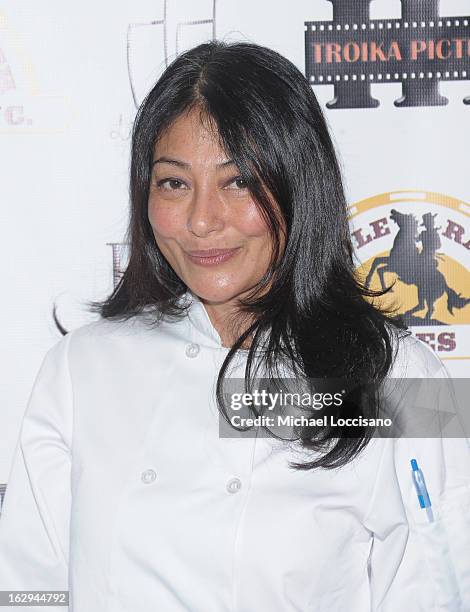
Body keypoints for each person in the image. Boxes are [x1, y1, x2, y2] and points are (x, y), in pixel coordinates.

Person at [0, 40, 469, 612]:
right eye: (174, 183)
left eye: (238, 181)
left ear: (298, 184)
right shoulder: (81, 366)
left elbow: (444, 590)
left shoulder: (404, 378)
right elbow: (26, 588)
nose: (201, 220)